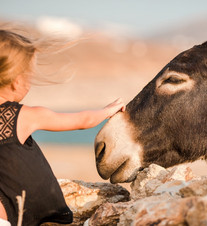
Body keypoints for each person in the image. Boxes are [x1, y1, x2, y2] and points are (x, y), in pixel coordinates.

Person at [0, 29, 125, 225]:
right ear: (17, 82)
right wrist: (107, 111)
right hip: (40, 213)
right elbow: (82, 121)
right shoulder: (23, 116)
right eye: (29, 77)